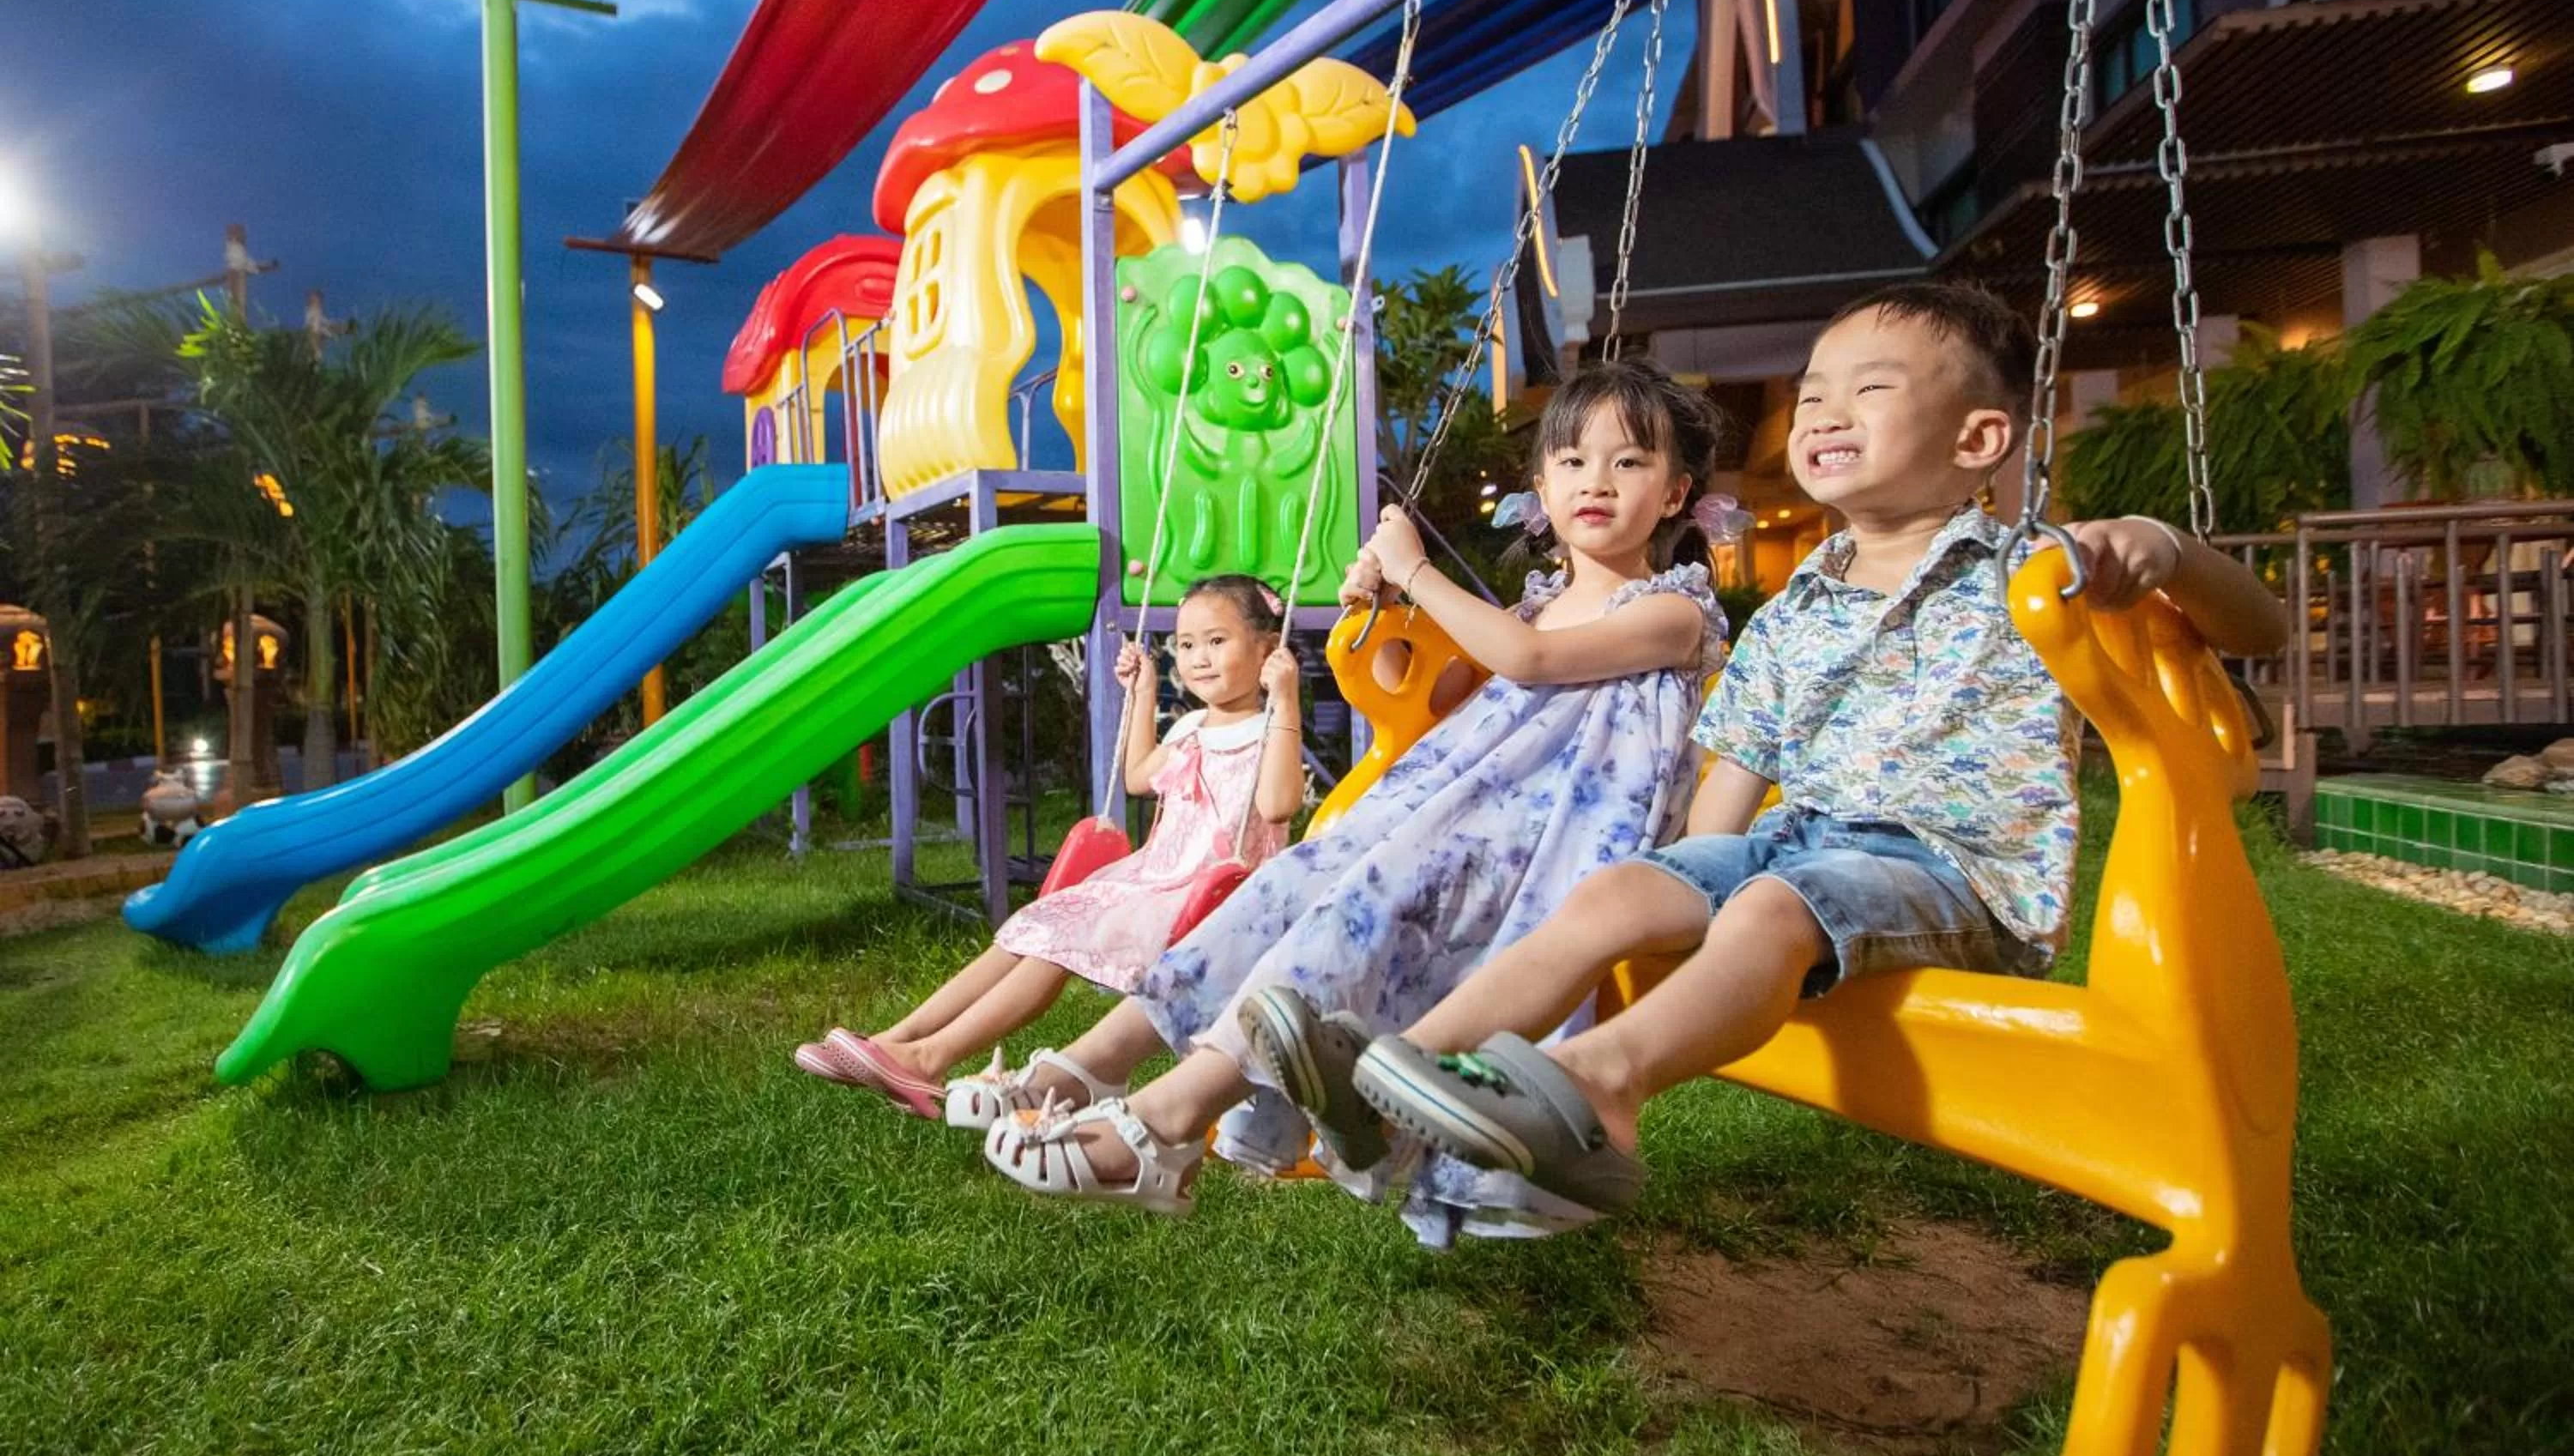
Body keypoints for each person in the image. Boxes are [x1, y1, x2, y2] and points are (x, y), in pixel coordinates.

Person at [1250, 281, 2291, 1218]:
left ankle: (1599, 1087)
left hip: (1951, 871)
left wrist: (2170, 546)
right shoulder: (1798, 608)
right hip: (1799, 845)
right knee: (1622, 893)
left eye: (1868, 390)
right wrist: (1674, 883)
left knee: (1767, 907)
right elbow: (1730, 790)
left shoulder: (2038, 569)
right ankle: (1392, 1076)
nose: (1825, 412)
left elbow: (2262, 629)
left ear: (1977, 439)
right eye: (1816, 391)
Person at [973, 356, 1743, 1227]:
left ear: (1676, 493)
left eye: (1628, 461)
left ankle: (1167, 1121)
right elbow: (1457, 703)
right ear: (1542, 486)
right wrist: (1383, 613)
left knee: (1360, 906)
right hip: (1454, 812)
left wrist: (1417, 570)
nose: (1595, 480)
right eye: (1572, 460)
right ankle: (1098, 1058)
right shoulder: (1535, 606)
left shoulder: (1674, 612)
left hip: (1540, 849)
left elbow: (1529, 666)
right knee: (1285, 885)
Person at [795, 574, 1303, 1114]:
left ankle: (929, 1059)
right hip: (1149, 879)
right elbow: (1136, 777)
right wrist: (1144, 691)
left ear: (1267, 649)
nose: (1199, 657)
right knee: (1029, 930)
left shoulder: (1269, 730)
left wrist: (1287, 701)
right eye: (1185, 645)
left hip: (1210, 897)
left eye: (1217, 641)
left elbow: (1276, 806)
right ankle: (895, 1042)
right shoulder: (1191, 727)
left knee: (1056, 945)